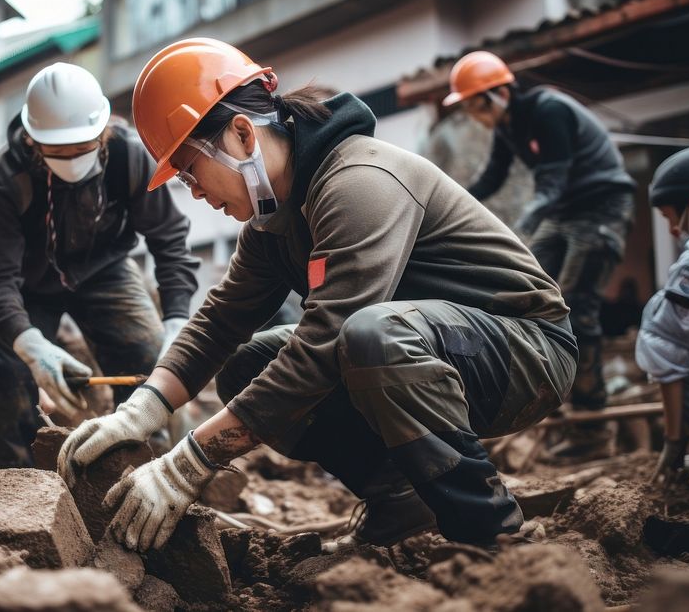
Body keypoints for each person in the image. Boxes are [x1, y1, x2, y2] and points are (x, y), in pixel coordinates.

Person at [57, 38, 577, 552]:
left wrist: (188, 463)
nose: (195, 192)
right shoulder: (273, 222)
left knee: (370, 335)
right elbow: (220, 322)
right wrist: (140, 411)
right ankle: (397, 500)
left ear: (242, 134)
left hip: (523, 351)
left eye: (192, 170)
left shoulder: (359, 181)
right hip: (431, 348)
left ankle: (494, 535)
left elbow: (326, 342)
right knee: (246, 363)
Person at [0, 62, 199, 479]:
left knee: (149, 356)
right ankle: (1, 493)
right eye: (59, 152)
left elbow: (169, 240)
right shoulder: (4, 182)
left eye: (83, 148)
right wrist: (32, 347)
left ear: (103, 131)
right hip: (24, 287)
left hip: (105, 268)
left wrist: (177, 319)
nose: (73, 161)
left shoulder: (130, 157)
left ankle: (154, 472)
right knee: (10, 379)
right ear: (33, 140)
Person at [444, 51, 634, 420]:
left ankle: (590, 412)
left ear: (497, 95)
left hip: (601, 207)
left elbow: (552, 181)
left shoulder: (549, 111)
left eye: (473, 106)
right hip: (563, 210)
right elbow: (491, 177)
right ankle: (550, 398)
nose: (472, 116)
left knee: (578, 306)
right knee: (530, 293)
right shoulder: (507, 126)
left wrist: (520, 228)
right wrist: (447, 200)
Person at [635, 146, 689, 485]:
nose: (672, 231)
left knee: (680, 360)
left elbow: (664, 345)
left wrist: (674, 441)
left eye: (669, 218)